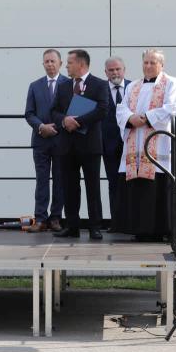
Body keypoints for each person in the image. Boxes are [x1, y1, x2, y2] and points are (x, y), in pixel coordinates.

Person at [113, 49, 176, 241]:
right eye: (146, 62)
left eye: (153, 62)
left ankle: (159, 231)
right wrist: (130, 118)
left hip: (157, 146)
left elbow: (172, 108)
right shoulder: (132, 86)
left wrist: (146, 117)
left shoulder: (170, 82)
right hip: (134, 145)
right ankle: (138, 229)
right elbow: (121, 109)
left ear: (162, 65)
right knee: (136, 190)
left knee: (156, 189)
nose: (148, 66)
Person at [51, 49, 109, 240]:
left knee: (93, 187)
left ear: (81, 64)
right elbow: (54, 111)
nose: (66, 66)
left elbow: (103, 110)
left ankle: (95, 227)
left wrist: (78, 121)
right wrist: (64, 120)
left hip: (90, 146)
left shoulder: (99, 84)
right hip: (67, 146)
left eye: (69, 63)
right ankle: (72, 226)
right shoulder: (63, 86)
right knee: (69, 187)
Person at [24, 49, 67, 232]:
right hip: (41, 140)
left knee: (59, 180)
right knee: (41, 181)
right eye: (46, 61)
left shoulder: (68, 84)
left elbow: (72, 112)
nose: (49, 64)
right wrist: (42, 127)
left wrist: (55, 127)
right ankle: (40, 219)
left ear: (60, 63)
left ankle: (55, 218)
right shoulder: (35, 86)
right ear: (43, 64)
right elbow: (29, 113)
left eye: (52, 61)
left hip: (61, 140)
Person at [102, 56, 130, 228]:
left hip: (132, 145)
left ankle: (132, 222)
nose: (115, 73)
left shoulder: (134, 87)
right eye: (111, 70)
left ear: (124, 70)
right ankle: (116, 222)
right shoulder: (100, 89)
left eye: (118, 69)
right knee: (113, 184)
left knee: (132, 184)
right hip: (108, 146)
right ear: (105, 72)